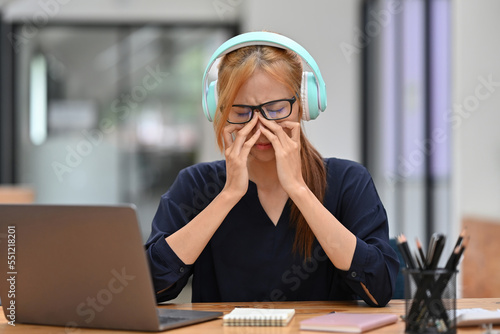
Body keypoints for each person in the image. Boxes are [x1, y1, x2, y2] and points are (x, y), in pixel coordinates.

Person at [145, 31, 399, 307]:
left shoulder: (349, 181)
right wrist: (229, 195)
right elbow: (151, 286)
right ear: (219, 111)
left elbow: (379, 287)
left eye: (276, 109)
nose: (260, 127)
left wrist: (299, 190)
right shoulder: (195, 184)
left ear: (303, 105)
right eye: (241, 112)